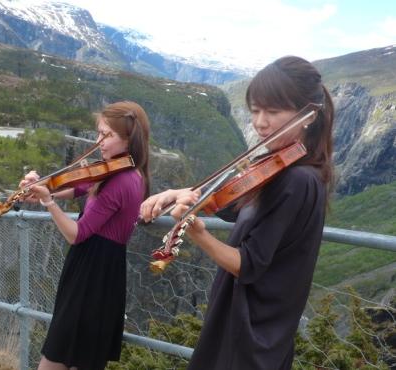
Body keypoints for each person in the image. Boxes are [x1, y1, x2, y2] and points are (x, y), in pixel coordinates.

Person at [140, 56, 334, 370]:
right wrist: (180, 194)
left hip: (252, 331)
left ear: (308, 115)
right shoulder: (279, 169)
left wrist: (197, 233)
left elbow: (249, 265)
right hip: (248, 323)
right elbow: (231, 207)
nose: (260, 122)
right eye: (255, 110)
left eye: (273, 111)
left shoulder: (297, 179)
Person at [20, 101, 151, 370]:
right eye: (99, 133)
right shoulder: (111, 168)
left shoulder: (123, 180)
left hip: (95, 274)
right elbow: (77, 188)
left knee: (58, 358)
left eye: (108, 135)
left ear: (129, 139)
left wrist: (48, 202)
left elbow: (76, 234)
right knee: (72, 356)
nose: (99, 141)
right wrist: (44, 190)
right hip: (92, 269)